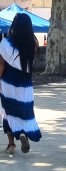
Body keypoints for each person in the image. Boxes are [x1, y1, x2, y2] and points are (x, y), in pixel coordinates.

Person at [0, 13, 42, 155]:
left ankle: (11, 143)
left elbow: (1, 64)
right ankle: (23, 133)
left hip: (8, 82)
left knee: (8, 111)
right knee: (24, 111)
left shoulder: (6, 43)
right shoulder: (33, 43)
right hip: (25, 84)